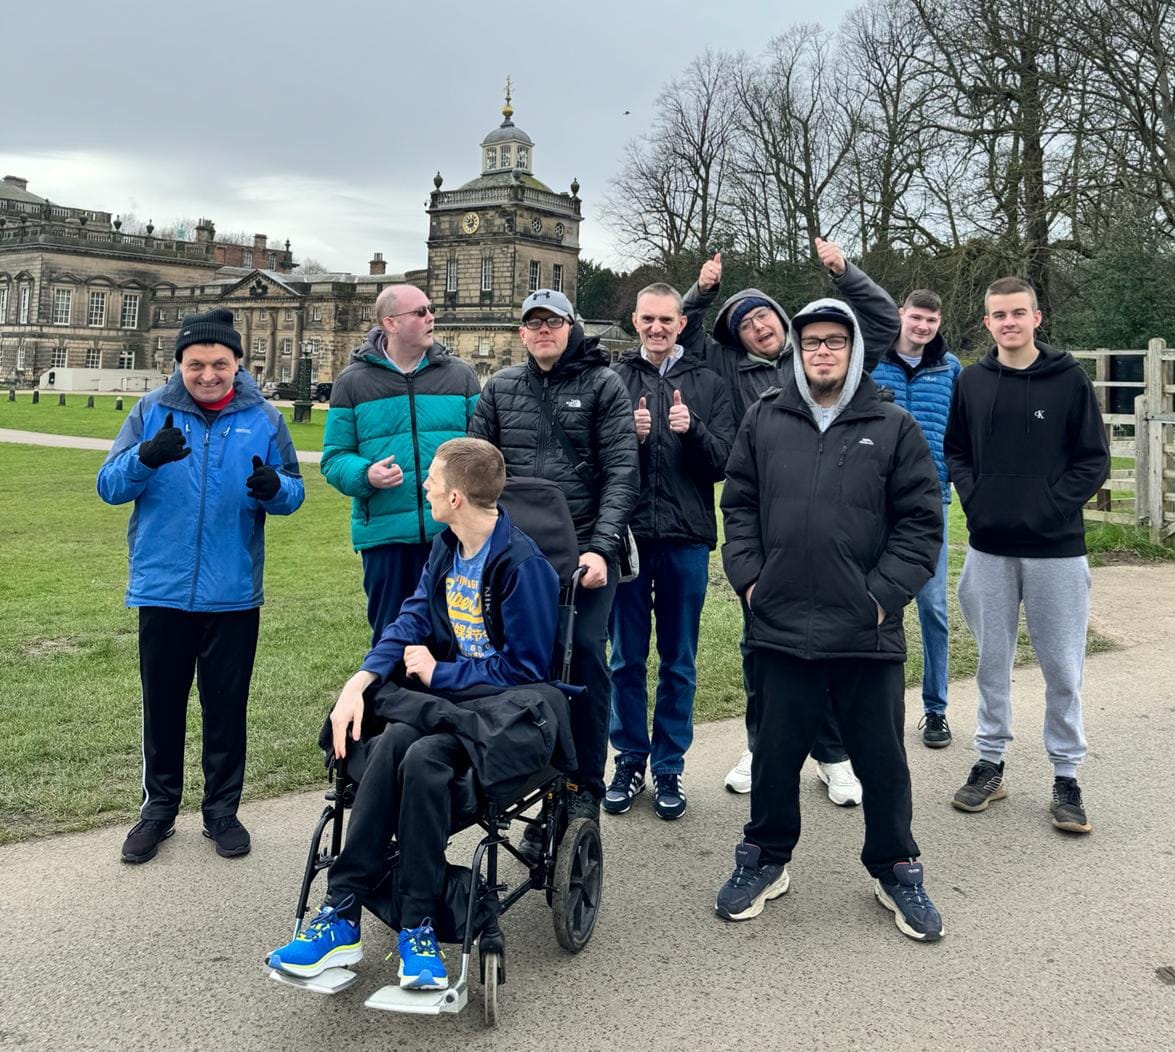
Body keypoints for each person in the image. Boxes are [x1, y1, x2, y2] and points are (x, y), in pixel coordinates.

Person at [267, 438, 570, 991]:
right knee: (393, 740)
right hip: (446, 703)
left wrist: (439, 673)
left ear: (455, 497)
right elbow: (409, 619)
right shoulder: (447, 546)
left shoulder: (522, 565)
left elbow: (526, 670)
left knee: (425, 756)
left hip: (500, 714)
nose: (424, 484)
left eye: (432, 478)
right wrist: (360, 681)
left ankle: (417, 925)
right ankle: (342, 913)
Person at [714, 292, 945, 942]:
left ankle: (894, 866)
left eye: (834, 342)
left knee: (881, 760)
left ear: (853, 350)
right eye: (811, 341)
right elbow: (738, 506)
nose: (822, 352)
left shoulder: (892, 425)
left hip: (864, 630)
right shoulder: (764, 418)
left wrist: (880, 598)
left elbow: (921, 523)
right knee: (774, 754)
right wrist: (751, 581)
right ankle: (765, 857)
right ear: (797, 350)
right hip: (779, 624)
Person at [682, 242, 900, 804]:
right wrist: (702, 292)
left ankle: (832, 755)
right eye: (746, 324)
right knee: (764, 649)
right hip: (770, 527)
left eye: (764, 315)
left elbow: (883, 322)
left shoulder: (819, 356)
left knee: (833, 649)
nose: (759, 327)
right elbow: (680, 333)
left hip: (836, 523)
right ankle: (761, 747)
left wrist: (844, 273)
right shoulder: (727, 368)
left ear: (782, 318)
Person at [97, 308, 305, 864]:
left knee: (226, 709)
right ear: (179, 365)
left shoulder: (265, 418)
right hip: (162, 587)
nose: (208, 374)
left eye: (219, 363)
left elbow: (293, 493)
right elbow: (109, 486)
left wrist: (273, 488)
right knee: (162, 706)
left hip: (232, 591)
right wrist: (144, 458)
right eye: (195, 364)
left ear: (238, 363)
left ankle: (222, 811)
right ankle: (158, 811)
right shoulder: (150, 411)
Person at [944, 276, 1109, 833]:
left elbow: (1092, 460)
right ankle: (990, 763)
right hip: (989, 549)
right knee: (991, 662)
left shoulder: (1068, 380)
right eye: (999, 314)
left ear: (1036, 317)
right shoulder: (971, 381)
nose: (1009, 322)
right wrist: (976, 500)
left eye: (1018, 312)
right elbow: (956, 450)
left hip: (1056, 551)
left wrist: (1049, 507)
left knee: (1062, 667)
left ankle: (1066, 775)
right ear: (987, 322)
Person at [469, 289, 640, 823]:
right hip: (516, 555)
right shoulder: (499, 388)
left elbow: (622, 474)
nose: (544, 330)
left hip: (585, 548)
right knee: (517, 660)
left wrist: (601, 549)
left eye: (554, 322)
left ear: (571, 327)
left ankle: (584, 780)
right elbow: (475, 473)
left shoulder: (604, 384)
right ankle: (522, 769)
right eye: (534, 323)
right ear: (522, 333)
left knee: (584, 652)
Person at [604, 283, 735, 820]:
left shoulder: (708, 382)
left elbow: (725, 461)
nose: (657, 328)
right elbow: (597, 461)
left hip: (686, 537)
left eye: (667, 319)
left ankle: (668, 766)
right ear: (635, 322)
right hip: (629, 538)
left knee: (678, 660)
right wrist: (627, 437)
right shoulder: (614, 380)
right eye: (648, 319)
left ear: (681, 323)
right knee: (625, 658)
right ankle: (629, 759)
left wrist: (692, 430)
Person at [321, 285, 480, 644]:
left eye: (430, 309)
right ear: (390, 323)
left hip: (452, 532)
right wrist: (366, 474)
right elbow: (334, 458)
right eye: (420, 312)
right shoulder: (352, 382)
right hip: (386, 538)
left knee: (456, 640)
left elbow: (483, 449)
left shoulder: (461, 376)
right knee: (392, 642)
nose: (431, 318)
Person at [871, 289, 962, 748]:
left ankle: (936, 708)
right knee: (873, 602)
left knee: (933, 607)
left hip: (930, 503)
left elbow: (963, 432)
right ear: (901, 315)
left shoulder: (951, 369)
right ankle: (868, 709)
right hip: (875, 501)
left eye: (931, 320)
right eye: (916, 317)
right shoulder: (873, 363)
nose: (923, 326)